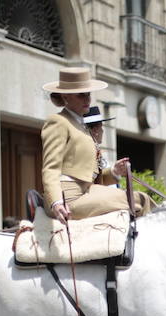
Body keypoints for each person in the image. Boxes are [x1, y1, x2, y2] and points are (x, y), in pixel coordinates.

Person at [41, 67, 132, 224]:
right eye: (81, 95)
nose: (87, 100)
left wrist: (114, 172)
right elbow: (50, 168)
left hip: (87, 192)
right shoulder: (58, 121)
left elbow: (89, 176)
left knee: (138, 198)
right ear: (65, 96)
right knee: (137, 200)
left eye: (88, 94)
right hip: (68, 197)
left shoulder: (82, 127)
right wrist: (56, 202)